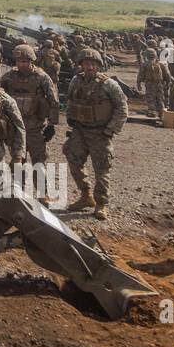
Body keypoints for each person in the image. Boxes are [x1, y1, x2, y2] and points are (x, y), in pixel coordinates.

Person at [62, 48, 128, 220]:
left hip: (100, 133)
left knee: (102, 169)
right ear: (81, 65)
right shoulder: (76, 81)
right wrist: (70, 118)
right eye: (86, 63)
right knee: (73, 159)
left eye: (93, 64)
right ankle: (86, 195)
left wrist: (111, 129)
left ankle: (102, 203)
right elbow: (70, 100)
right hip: (80, 131)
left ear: (98, 66)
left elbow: (122, 108)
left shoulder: (109, 84)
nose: (89, 67)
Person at [0, 45, 60, 202]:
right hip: (15, 127)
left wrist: (52, 124)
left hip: (35, 127)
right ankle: (19, 195)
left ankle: (43, 194)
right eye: (19, 61)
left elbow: (53, 101)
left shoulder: (42, 77)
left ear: (32, 60)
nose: (21, 64)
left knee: (38, 161)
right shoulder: (9, 77)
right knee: (18, 161)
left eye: (25, 61)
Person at [137, 48, 172, 126]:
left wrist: (138, 83)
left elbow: (141, 75)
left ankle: (152, 111)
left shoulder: (145, 64)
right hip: (160, 83)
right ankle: (161, 111)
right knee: (160, 97)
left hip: (149, 84)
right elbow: (167, 74)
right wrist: (168, 82)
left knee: (150, 97)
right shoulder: (161, 63)